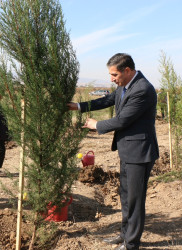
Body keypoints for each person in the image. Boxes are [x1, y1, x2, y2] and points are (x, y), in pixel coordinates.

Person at [68, 53, 159, 250]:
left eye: (114, 74)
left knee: (135, 199)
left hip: (140, 152)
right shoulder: (124, 86)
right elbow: (107, 100)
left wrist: (96, 124)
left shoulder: (143, 89)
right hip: (128, 150)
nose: (112, 79)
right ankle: (125, 235)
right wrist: (78, 106)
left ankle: (131, 243)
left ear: (127, 70)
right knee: (125, 195)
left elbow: (123, 119)